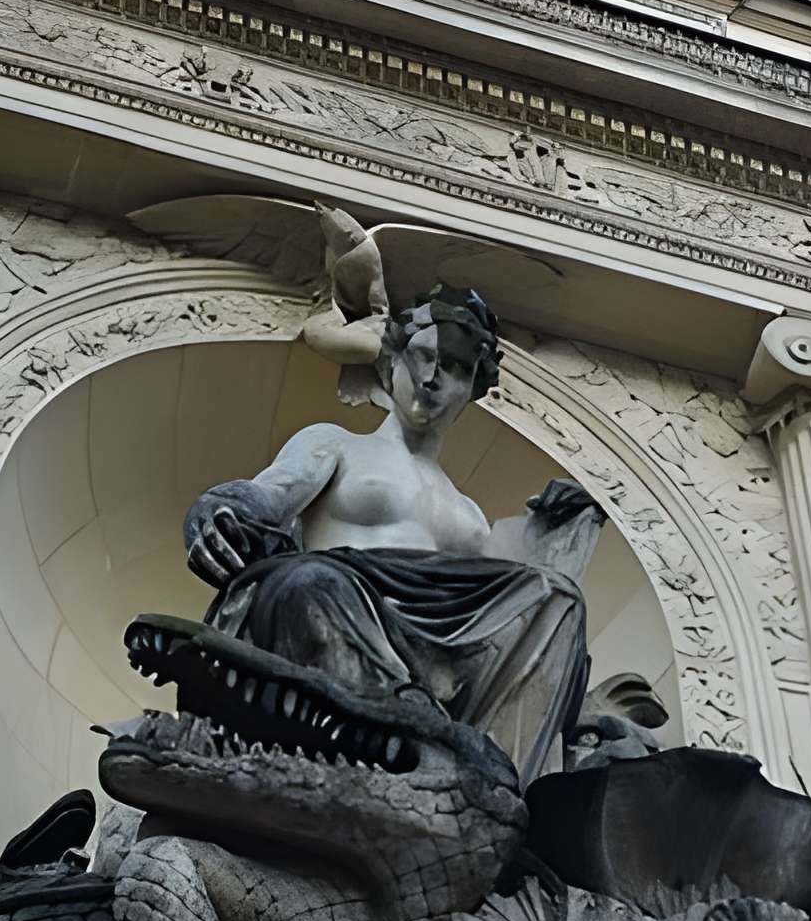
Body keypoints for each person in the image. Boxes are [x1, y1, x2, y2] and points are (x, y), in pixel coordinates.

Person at [182, 287, 599, 785]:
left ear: (472, 389)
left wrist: (553, 535)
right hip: (336, 606)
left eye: (456, 369)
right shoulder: (335, 444)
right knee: (308, 580)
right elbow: (266, 497)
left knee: (562, 600)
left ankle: (503, 783)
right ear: (392, 362)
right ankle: (407, 719)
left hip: (437, 650)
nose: (431, 379)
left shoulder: (468, 515)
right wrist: (216, 509)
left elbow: (499, 614)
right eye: (424, 357)